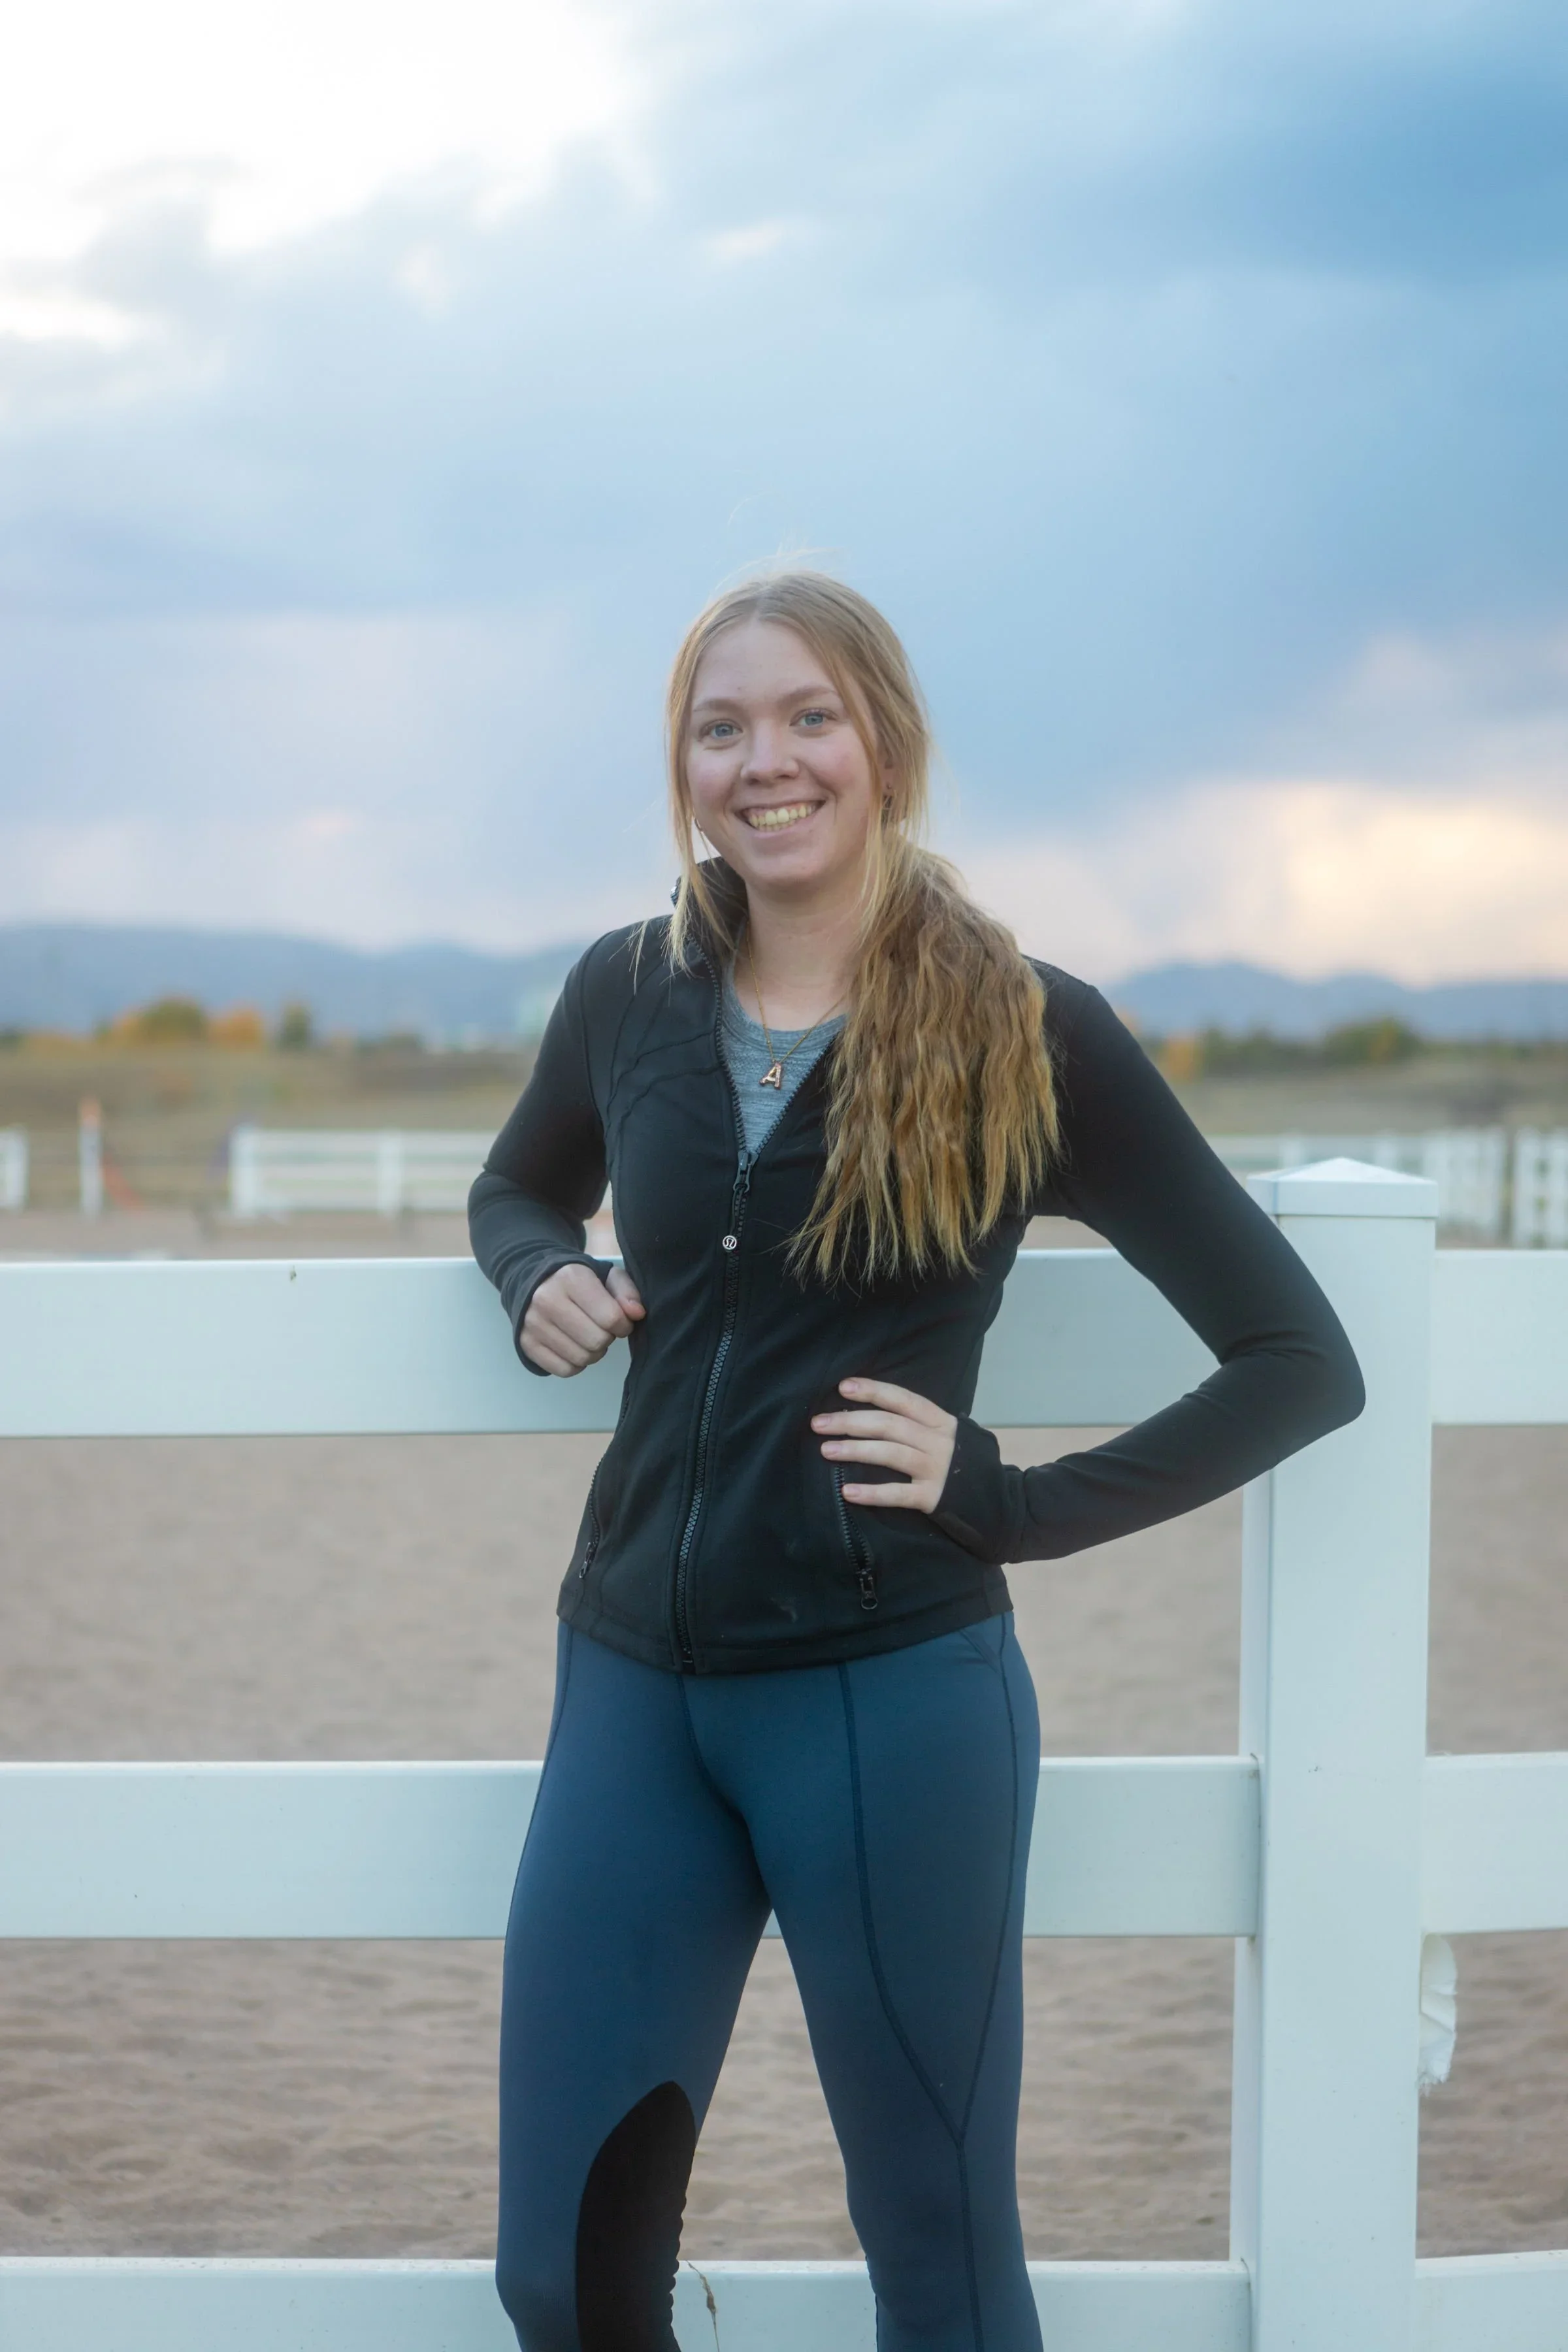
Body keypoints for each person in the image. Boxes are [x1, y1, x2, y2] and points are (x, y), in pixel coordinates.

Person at [468, 572, 1364, 2352]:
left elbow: (1298, 1362)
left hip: (891, 1707)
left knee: (939, 2257)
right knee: (562, 2279)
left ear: (885, 744)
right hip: (633, 1684)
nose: (765, 761)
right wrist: (536, 1274)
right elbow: (517, 1185)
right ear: (684, 765)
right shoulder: (627, 992)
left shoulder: (1031, 1030)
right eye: (720, 727)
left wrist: (1014, 1505)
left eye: (809, 717)